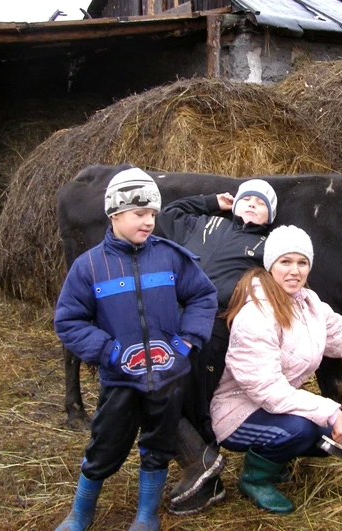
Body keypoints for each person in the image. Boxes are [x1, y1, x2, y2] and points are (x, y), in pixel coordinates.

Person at [210, 225, 342, 514]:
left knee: (323, 438)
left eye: (302, 262)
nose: (294, 271)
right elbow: (267, 389)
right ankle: (255, 480)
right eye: (285, 262)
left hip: (276, 404)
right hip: (236, 412)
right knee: (302, 429)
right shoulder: (256, 314)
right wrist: (332, 411)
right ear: (270, 264)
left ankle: (276, 456)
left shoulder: (309, 304)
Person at [53, 167, 218, 531]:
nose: (148, 222)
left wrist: (186, 342)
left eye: (153, 215)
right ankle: (80, 513)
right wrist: (109, 352)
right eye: (139, 214)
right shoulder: (90, 267)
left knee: (158, 445)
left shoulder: (171, 257)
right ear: (114, 214)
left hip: (168, 376)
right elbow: (68, 321)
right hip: (120, 379)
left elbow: (203, 296)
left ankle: (146, 515)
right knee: (104, 446)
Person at [157, 178, 277, 515]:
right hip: (171, 321)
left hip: (214, 328)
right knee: (155, 391)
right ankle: (202, 466)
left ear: (270, 216)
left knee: (196, 402)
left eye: (261, 203)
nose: (252, 204)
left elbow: (290, 272)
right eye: (246, 198)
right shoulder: (205, 222)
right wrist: (212, 202)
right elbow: (169, 214)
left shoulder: (268, 245)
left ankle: (205, 480)